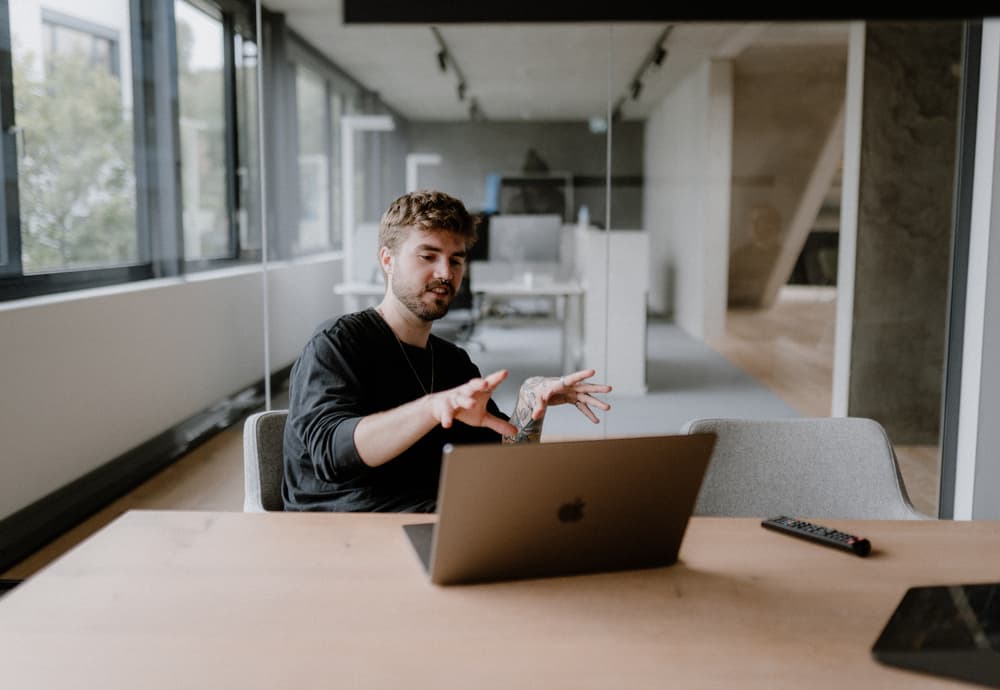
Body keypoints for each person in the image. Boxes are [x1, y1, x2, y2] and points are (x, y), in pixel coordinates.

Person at [283, 189, 611, 512]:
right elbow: (331, 456)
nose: (446, 273)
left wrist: (529, 404)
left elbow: (505, 466)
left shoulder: (453, 363)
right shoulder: (337, 344)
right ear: (388, 260)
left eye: (455, 260)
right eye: (428, 256)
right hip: (348, 530)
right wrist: (431, 407)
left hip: (436, 521)